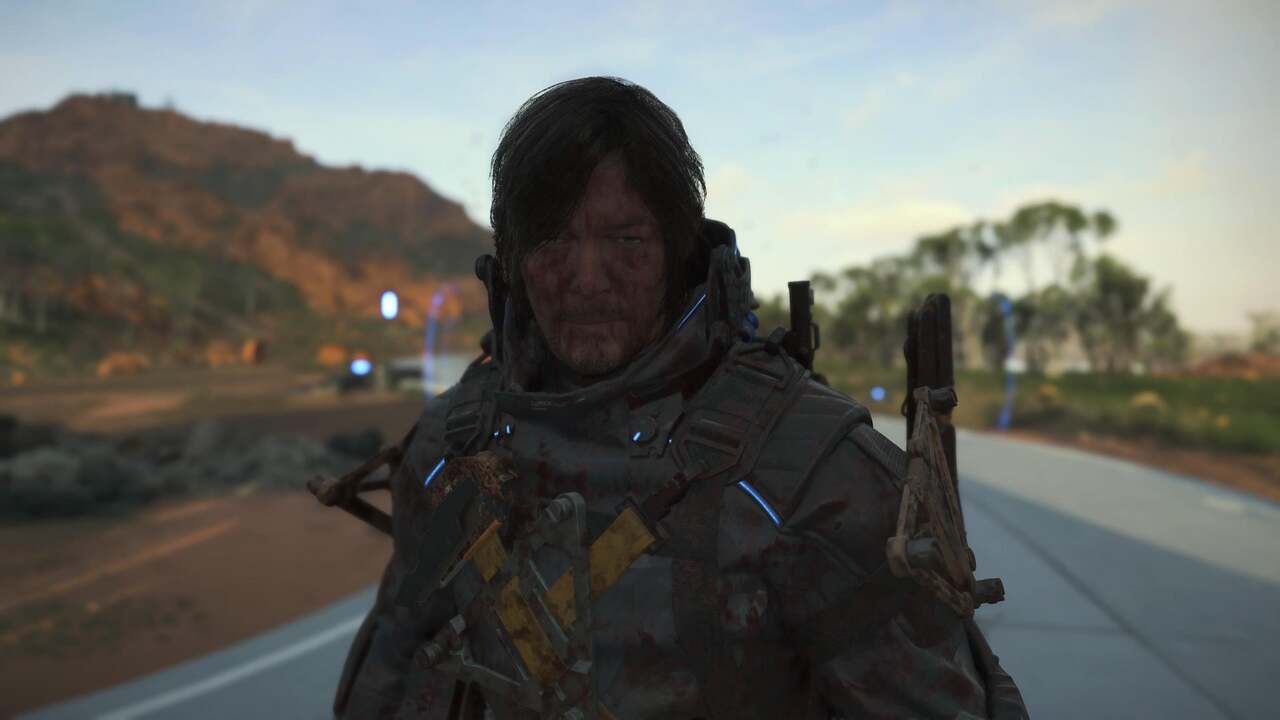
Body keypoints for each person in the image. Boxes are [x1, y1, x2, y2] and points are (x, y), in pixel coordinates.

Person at [332, 76, 1026, 719]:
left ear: (677, 252)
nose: (587, 277)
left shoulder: (808, 473)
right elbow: (393, 677)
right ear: (513, 260)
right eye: (553, 240)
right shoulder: (454, 449)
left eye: (625, 239)